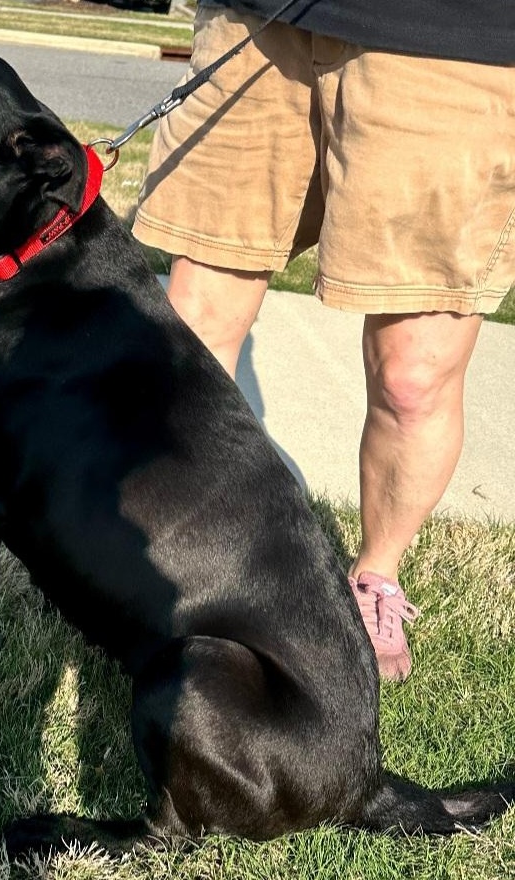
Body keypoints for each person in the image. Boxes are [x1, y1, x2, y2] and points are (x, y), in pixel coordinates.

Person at [132, 0, 515, 681]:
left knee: (412, 376)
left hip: (456, 38)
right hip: (262, 17)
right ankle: (177, 562)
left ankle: (376, 579)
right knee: (189, 331)